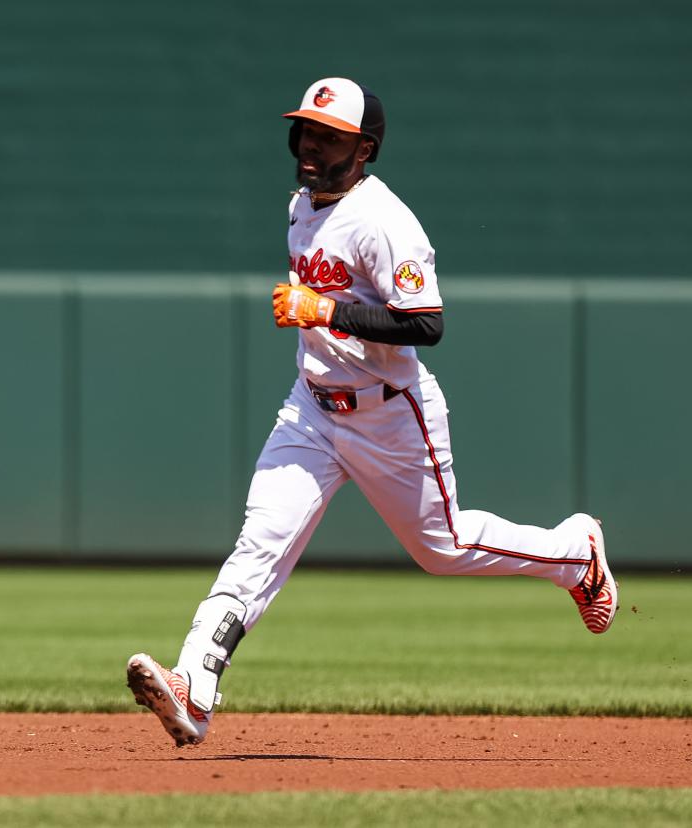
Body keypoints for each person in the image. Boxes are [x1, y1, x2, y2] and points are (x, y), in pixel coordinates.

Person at [126, 77, 617, 747]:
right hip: (311, 412)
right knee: (259, 543)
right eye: (306, 130)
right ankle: (194, 687)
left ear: (365, 151)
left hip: (390, 416)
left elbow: (427, 324)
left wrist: (323, 309)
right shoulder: (302, 204)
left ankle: (574, 554)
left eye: (329, 137)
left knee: (442, 549)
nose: (310, 145)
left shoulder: (385, 221)